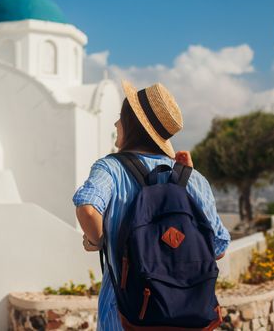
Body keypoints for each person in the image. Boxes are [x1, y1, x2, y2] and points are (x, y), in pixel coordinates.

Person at [73, 80, 231, 330]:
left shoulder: (110, 168)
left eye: (119, 119)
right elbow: (218, 247)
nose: (115, 125)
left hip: (126, 315)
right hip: (187, 317)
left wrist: (97, 241)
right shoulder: (194, 178)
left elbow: (88, 209)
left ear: (132, 125)